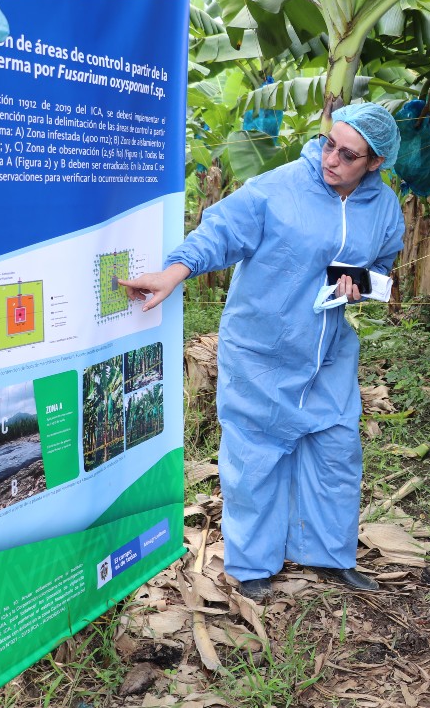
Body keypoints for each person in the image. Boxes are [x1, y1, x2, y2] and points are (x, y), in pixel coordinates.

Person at [119, 103, 405, 600]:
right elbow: (220, 232)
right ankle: (251, 567)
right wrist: (174, 271)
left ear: (375, 163)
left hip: (328, 354)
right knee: (254, 458)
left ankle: (329, 556)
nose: (330, 158)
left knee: (337, 454)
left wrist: (363, 284)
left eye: (348, 154)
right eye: (329, 143)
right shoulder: (278, 188)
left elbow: (384, 262)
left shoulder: (383, 208)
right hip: (262, 351)